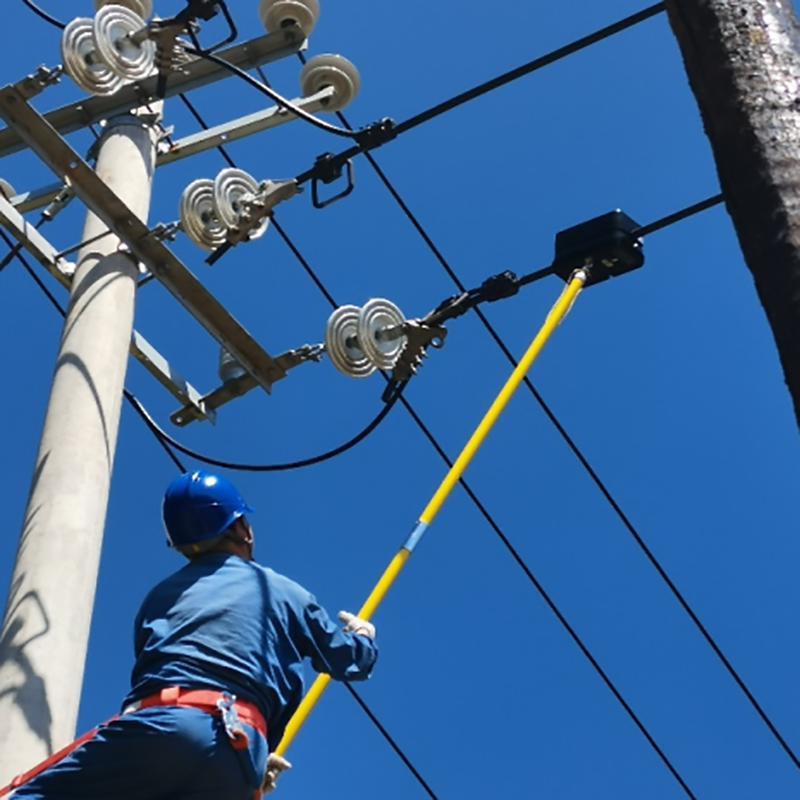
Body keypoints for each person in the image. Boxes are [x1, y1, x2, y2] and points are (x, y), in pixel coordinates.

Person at [6, 470, 378, 799]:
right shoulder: (282, 591)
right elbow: (349, 660)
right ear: (239, 527)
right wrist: (363, 636)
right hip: (240, 756)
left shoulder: (160, 598)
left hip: (166, 723)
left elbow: (153, 674)